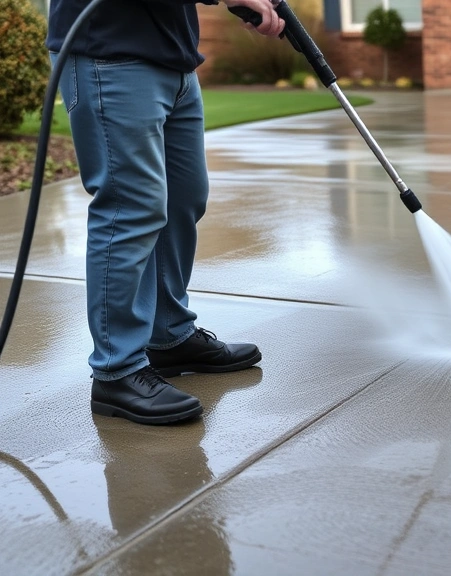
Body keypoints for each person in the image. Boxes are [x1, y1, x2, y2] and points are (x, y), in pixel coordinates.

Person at [45, 0, 285, 425]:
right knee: (130, 206)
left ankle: (169, 336)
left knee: (184, 199)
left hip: (173, 57)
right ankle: (116, 369)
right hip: (110, 53)